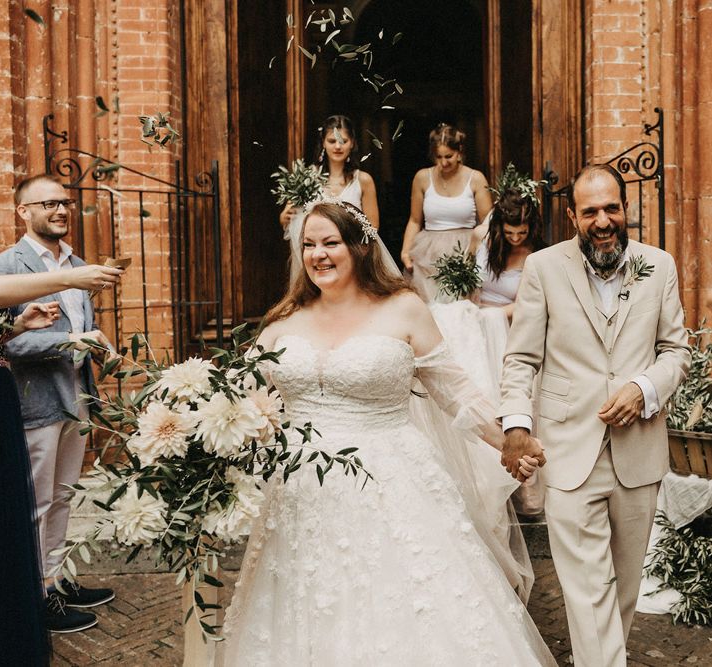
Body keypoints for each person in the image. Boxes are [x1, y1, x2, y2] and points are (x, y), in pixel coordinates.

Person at [210, 200, 555, 666]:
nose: (318, 254)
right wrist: (188, 429)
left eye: (331, 243)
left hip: (392, 484)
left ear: (359, 246)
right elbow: (233, 401)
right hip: (299, 496)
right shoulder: (283, 321)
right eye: (308, 245)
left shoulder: (404, 308)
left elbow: (454, 392)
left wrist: (508, 439)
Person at [499, 164, 691, 666]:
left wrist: (643, 387)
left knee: (622, 592)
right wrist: (517, 425)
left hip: (639, 452)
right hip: (568, 447)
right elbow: (521, 358)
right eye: (590, 212)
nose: (603, 221)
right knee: (587, 593)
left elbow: (676, 351)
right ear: (572, 216)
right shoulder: (543, 268)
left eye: (612, 209)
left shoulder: (660, 265)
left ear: (625, 209)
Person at [0, 174, 122, 634]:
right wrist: (71, 340)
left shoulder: (79, 265)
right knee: (36, 504)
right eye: (48, 204)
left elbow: (81, 331)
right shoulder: (3, 266)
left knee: (63, 498)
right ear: (23, 211)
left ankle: (55, 580)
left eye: (64, 202)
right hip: (32, 404)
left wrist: (98, 348)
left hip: (75, 402)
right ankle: (35, 598)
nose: (60, 211)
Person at [280, 115, 379, 282]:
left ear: (352, 143)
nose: (338, 146)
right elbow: (288, 217)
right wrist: (284, 217)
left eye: (343, 141)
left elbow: (373, 227)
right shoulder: (307, 177)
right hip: (316, 259)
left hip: (351, 258)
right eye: (332, 141)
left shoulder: (363, 180)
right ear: (323, 143)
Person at [400, 123, 493, 302]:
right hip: (428, 252)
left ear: (459, 152)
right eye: (438, 157)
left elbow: (487, 221)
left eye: (448, 156)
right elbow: (414, 220)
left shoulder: (476, 178)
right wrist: (405, 252)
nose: (443, 162)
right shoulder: (422, 177)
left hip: (465, 250)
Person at [471, 184, 547, 324]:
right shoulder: (480, 237)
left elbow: (525, 304)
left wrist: (486, 318)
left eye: (522, 232)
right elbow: (464, 279)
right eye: (509, 233)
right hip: (474, 314)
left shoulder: (535, 255)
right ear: (499, 228)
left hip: (508, 321)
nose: (516, 238)